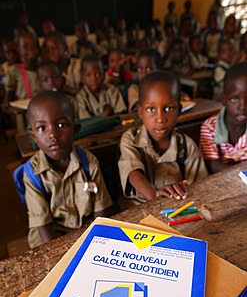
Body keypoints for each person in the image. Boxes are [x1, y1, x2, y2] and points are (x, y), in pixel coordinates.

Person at [25, 90, 113, 248]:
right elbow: (43, 225)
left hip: (85, 229)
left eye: (61, 125)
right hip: (49, 237)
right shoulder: (33, 174)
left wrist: (96, 243)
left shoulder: (89, 162)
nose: (53, 134)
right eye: (42, 128)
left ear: (76, 130)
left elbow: (101, 211)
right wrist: (56, 253)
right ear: (33, 137)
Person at [118, 70, 208, 207]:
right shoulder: (131, 139)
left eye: (169, 108)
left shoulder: (186, 145)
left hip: (173, 210)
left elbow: (199, 186)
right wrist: (155, 197)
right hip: (135, 210)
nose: (160, 119)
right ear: (140, 111)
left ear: (179, 110)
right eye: (150, 109)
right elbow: (133, 173)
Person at [199, 61, 247, 174]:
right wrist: (239, 174)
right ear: (224, 100)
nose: (242, 107)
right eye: (234, 99)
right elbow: (210, 162)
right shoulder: (210, 127)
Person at [2, 32, 40, 132]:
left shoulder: (45, 69)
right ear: (19, 50)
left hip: (43, 111)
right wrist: (7, 105)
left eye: (33, 45)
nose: (30, 49)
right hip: (24, 116)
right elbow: (9, 95)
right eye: (25, 46)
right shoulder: (14, 71)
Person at [76, 55, 127, 119]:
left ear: (104, 74)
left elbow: (121, 113)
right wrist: (104, 115)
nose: (94, 79)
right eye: (88, 75)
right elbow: (86, 122)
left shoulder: (111, 90)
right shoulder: (81, 97)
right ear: (82, 78)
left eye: (97, 74)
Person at [42, 31, 81, 96]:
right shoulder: (48, 73)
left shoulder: (80, 65)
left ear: (66, 49)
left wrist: (67, 88)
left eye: (53, 49)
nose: (50, 53)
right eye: (47, 51)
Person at [126, 47, 162, 112]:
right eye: (140, 69)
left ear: (158, 69)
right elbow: (141, 108)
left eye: (149, 69)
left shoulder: (165, 86)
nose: (144, 73)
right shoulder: (134, 89)